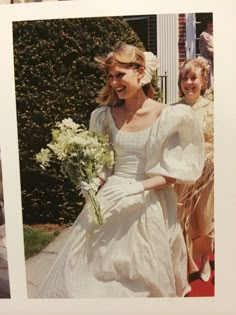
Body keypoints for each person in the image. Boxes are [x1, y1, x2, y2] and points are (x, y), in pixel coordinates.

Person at [37, 43, 204, 298]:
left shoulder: (169, 115)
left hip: (149, 203)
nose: (114, 83)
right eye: (110, 76)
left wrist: (137, 186)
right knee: (90, 276)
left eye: (120, 75)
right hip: (111, 200)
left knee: (143, 279)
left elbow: (178, 171)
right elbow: (104, 162)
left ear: (139, 72)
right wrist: (94, 180)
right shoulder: (104, 116)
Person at [173, 57, 214, 282]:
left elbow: (218, 141)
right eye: (184, 78)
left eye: (193, 78)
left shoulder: (212, 109)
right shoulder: (172, 110)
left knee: (204, 218)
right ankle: (182, 263)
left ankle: (204, 260)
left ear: (203, 81)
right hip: (180, 174)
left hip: (206, 172)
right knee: (181, 219)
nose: (189, 82)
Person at [199, 15, 213, 88]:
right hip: (207, 62)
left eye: (213, 22)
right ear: (206, 24)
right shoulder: (205, 35)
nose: (212, 24)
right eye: (209, 22)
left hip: (212, 62)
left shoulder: (212, 34)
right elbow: (211, 51)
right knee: (209, 85)